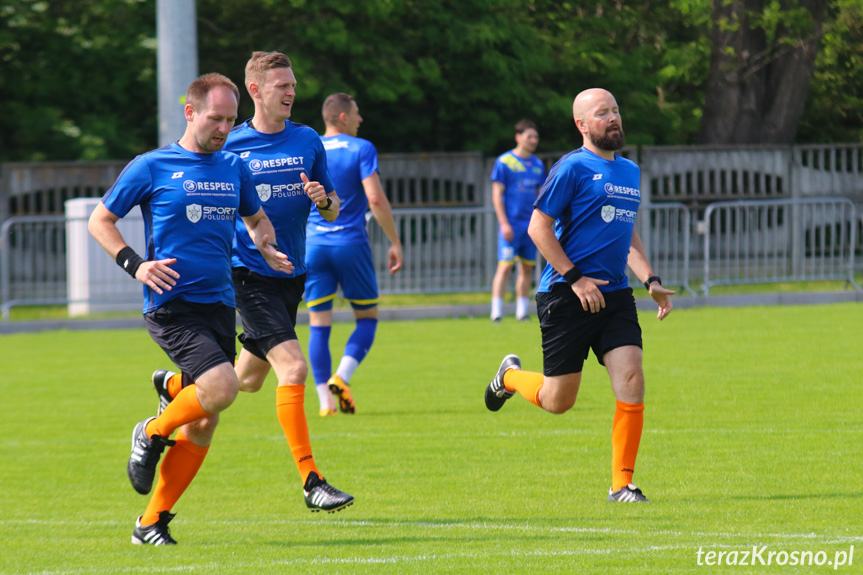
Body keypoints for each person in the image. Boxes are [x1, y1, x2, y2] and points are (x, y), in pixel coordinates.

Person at [88, 73, 293, 545]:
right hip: (171, 303)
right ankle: (152, 431)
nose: (223, 128)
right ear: (190, 112)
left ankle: (150, 522)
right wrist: (135, 265)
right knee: (223, 387)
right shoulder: (152, 166)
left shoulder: (234, 167)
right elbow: (101, 219)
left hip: (220, 303)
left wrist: (264, 243)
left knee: (203, 421)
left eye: (230, 119)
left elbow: (256, 217)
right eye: (214, 118)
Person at [151, 52, 354, 515]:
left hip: (291, 277)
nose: (291, 92)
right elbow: (203, 189)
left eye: (293, 84)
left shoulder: (307, 140)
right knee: (295, 370)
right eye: (281, 85)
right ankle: (311, 480)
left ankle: (179, 384)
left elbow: (333, 208)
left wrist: (323, 201)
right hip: (247, 275)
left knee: (245, 380)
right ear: (257, 91)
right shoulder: (232, 145)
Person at [483, 89, 675, 503]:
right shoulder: (570, 168)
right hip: (564, 295)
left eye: (616, 110)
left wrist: (650, 281)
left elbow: (627, 235)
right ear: (582, 125)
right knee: (558, 401)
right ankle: (510, 378)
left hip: (616, 296)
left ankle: (622, 484)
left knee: (632, 378)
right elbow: (538, 228)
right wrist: (576, 279)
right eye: (602, 113)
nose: (613, 118)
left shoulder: (630, 171)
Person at [304, 93, 403, 416]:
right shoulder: (362, 148)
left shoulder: (310, 147)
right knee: (367, 318)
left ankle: (324, 402)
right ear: (343, 117)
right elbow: (375, 199)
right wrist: (394, 241)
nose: (361, 119)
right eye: (357, 114)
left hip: (313, 245)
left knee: (319, 324)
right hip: (350, 245)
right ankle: (341, 378)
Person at [489, 120, 547, 322]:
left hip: (530, 226)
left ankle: (522, 311)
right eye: (529, 136)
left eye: (536, 137)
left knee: (527, 268)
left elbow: (541, 197)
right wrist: (503, 222)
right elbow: (497, 194)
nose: (533, 140)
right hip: (511, 225)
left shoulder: (538, 165)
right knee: (505, 267)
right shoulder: (505, 162)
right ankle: (496, 311)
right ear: (518, 137)